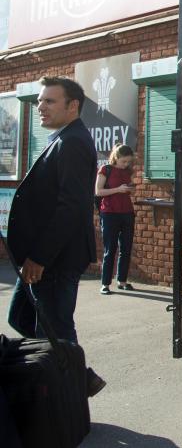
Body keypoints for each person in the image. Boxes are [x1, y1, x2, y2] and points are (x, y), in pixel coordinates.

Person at [6, 76, 106, 397]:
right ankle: (79, 377)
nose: (40, 107)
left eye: (49, 101)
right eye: (39, 101)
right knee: (22, 316)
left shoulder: (74, 141)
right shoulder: (62, 137)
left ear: (72, 105)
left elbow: (71, 207)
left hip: (54, 259)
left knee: (57, 328)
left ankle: (68, 396)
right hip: (42, 256)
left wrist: (40, 258)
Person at [95, 143, 137, 295]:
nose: (126, 164)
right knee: (110, 249)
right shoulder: (105, 169)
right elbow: (98, 191)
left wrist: (130, 189)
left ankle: (122, 281)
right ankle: (105, 284)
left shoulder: (127, 171)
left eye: (128, 162)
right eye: (123, 161)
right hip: (110, 213)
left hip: (127, 212)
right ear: (116, 157)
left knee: (126, 248)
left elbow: (127, 190)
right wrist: (118, 189)